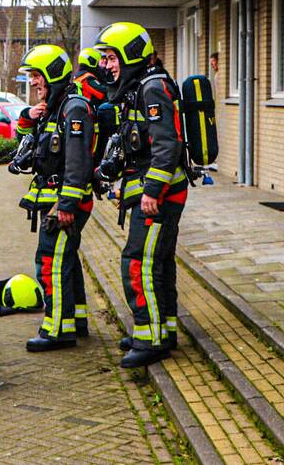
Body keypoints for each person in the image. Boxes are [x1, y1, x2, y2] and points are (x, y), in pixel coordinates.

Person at [95, 22, 188, 368]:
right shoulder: (140, 86)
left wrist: (151, 191)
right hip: (153, 192)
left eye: (111, 57)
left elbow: (168, 143)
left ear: (130, 53)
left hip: (160, 196)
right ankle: (163, 331)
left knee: (138, 261)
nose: (107, 65)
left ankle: (149, 338)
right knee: (159, 262)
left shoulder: (152, 88)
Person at [14, 45, 95, 351]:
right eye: (31, 76)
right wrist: (27, 117)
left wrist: (66, 205)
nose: (33, 82)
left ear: (53, 75)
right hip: (56, 200)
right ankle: (77, 320)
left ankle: (57, 329)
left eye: (37, 76)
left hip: (64, 203)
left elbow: (77, 161)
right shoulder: (54, 106)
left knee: (51, 262)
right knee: (66, 260)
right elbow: (29, 144)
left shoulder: (73, 108)